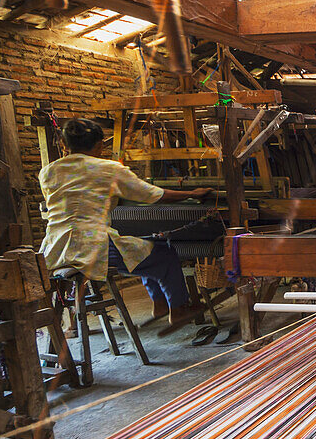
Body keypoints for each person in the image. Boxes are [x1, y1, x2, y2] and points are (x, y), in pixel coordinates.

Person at [38, 119, 214, 336]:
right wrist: (191, 193)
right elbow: (152, 195)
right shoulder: (108, 169)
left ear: (65, 144)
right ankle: (178, 309)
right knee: (164, 253)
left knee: (144, 247)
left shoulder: (47, 172)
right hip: (91, 249)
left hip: (53, 248)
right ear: (99, 145)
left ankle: (160, 304)